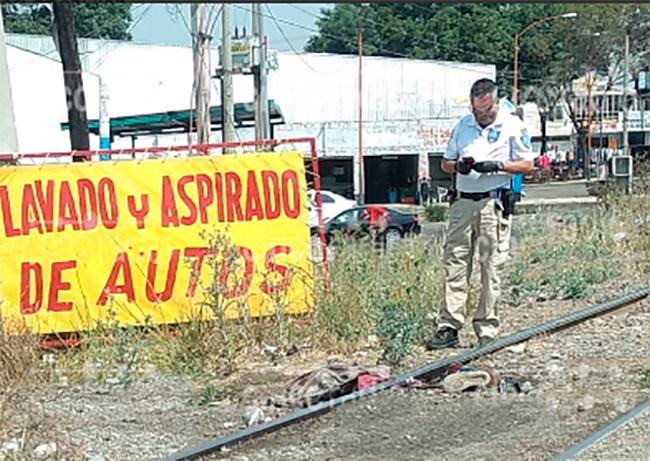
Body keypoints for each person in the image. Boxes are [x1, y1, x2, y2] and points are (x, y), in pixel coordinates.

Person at [426, 78, 535, 350]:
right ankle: (449, 325)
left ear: (496, 103)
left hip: (491, 204)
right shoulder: (463, 126)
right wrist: (458, 167)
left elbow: (527, 165)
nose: (481, 116)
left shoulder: (511, 125)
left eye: (486, 111)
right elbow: (445, 162)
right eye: (477, 111)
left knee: (490, 265)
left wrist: (497, 165)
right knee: (456, 263)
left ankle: (486, 328)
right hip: (463, 203)